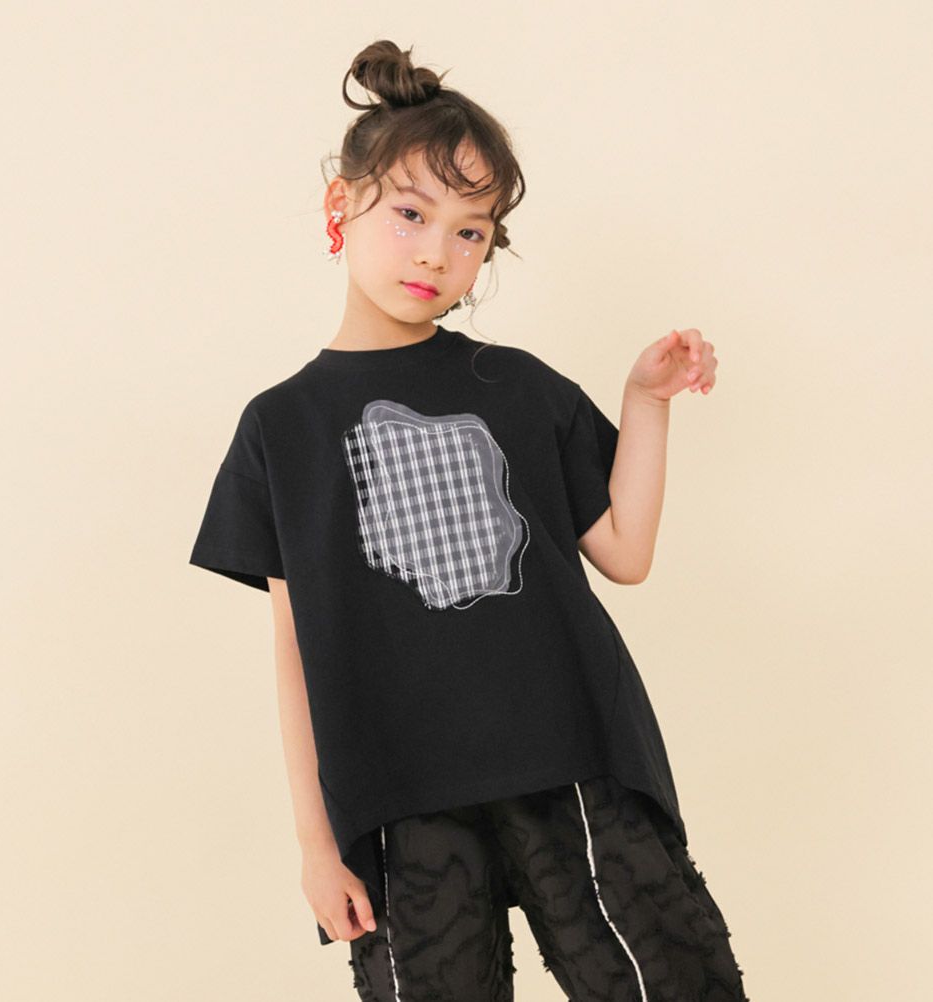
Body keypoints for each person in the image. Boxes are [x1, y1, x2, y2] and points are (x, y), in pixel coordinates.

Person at [189, 37, 750, 1002]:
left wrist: (645, 401)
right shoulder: (280, 428)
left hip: (573, 760)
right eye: (411, 214)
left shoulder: (518, 387)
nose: (435, 253)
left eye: (470, 233)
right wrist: (317, 845)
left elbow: (625, 552)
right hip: (399, 799)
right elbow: (295, 649)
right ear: (339, 206)